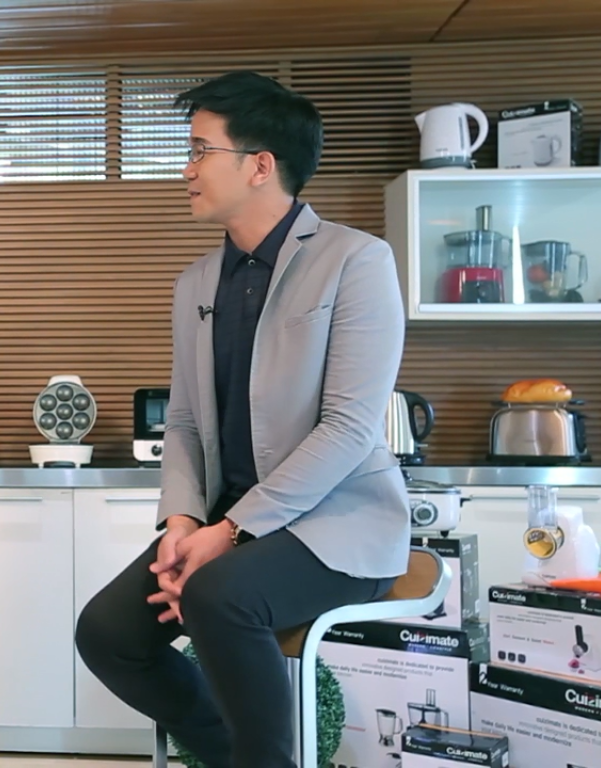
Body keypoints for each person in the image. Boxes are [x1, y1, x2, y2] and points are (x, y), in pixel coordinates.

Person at [73, 71, 410, 768]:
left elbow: (350, 428)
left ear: (260, 165)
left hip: (338, 525)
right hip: (223, 526)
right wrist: (182, 523)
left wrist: (230, 533)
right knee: (108, 632)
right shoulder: (196, 282)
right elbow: (184, 423)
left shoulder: (356, 260)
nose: (187, 168)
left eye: (201, 150)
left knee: (220, 595)